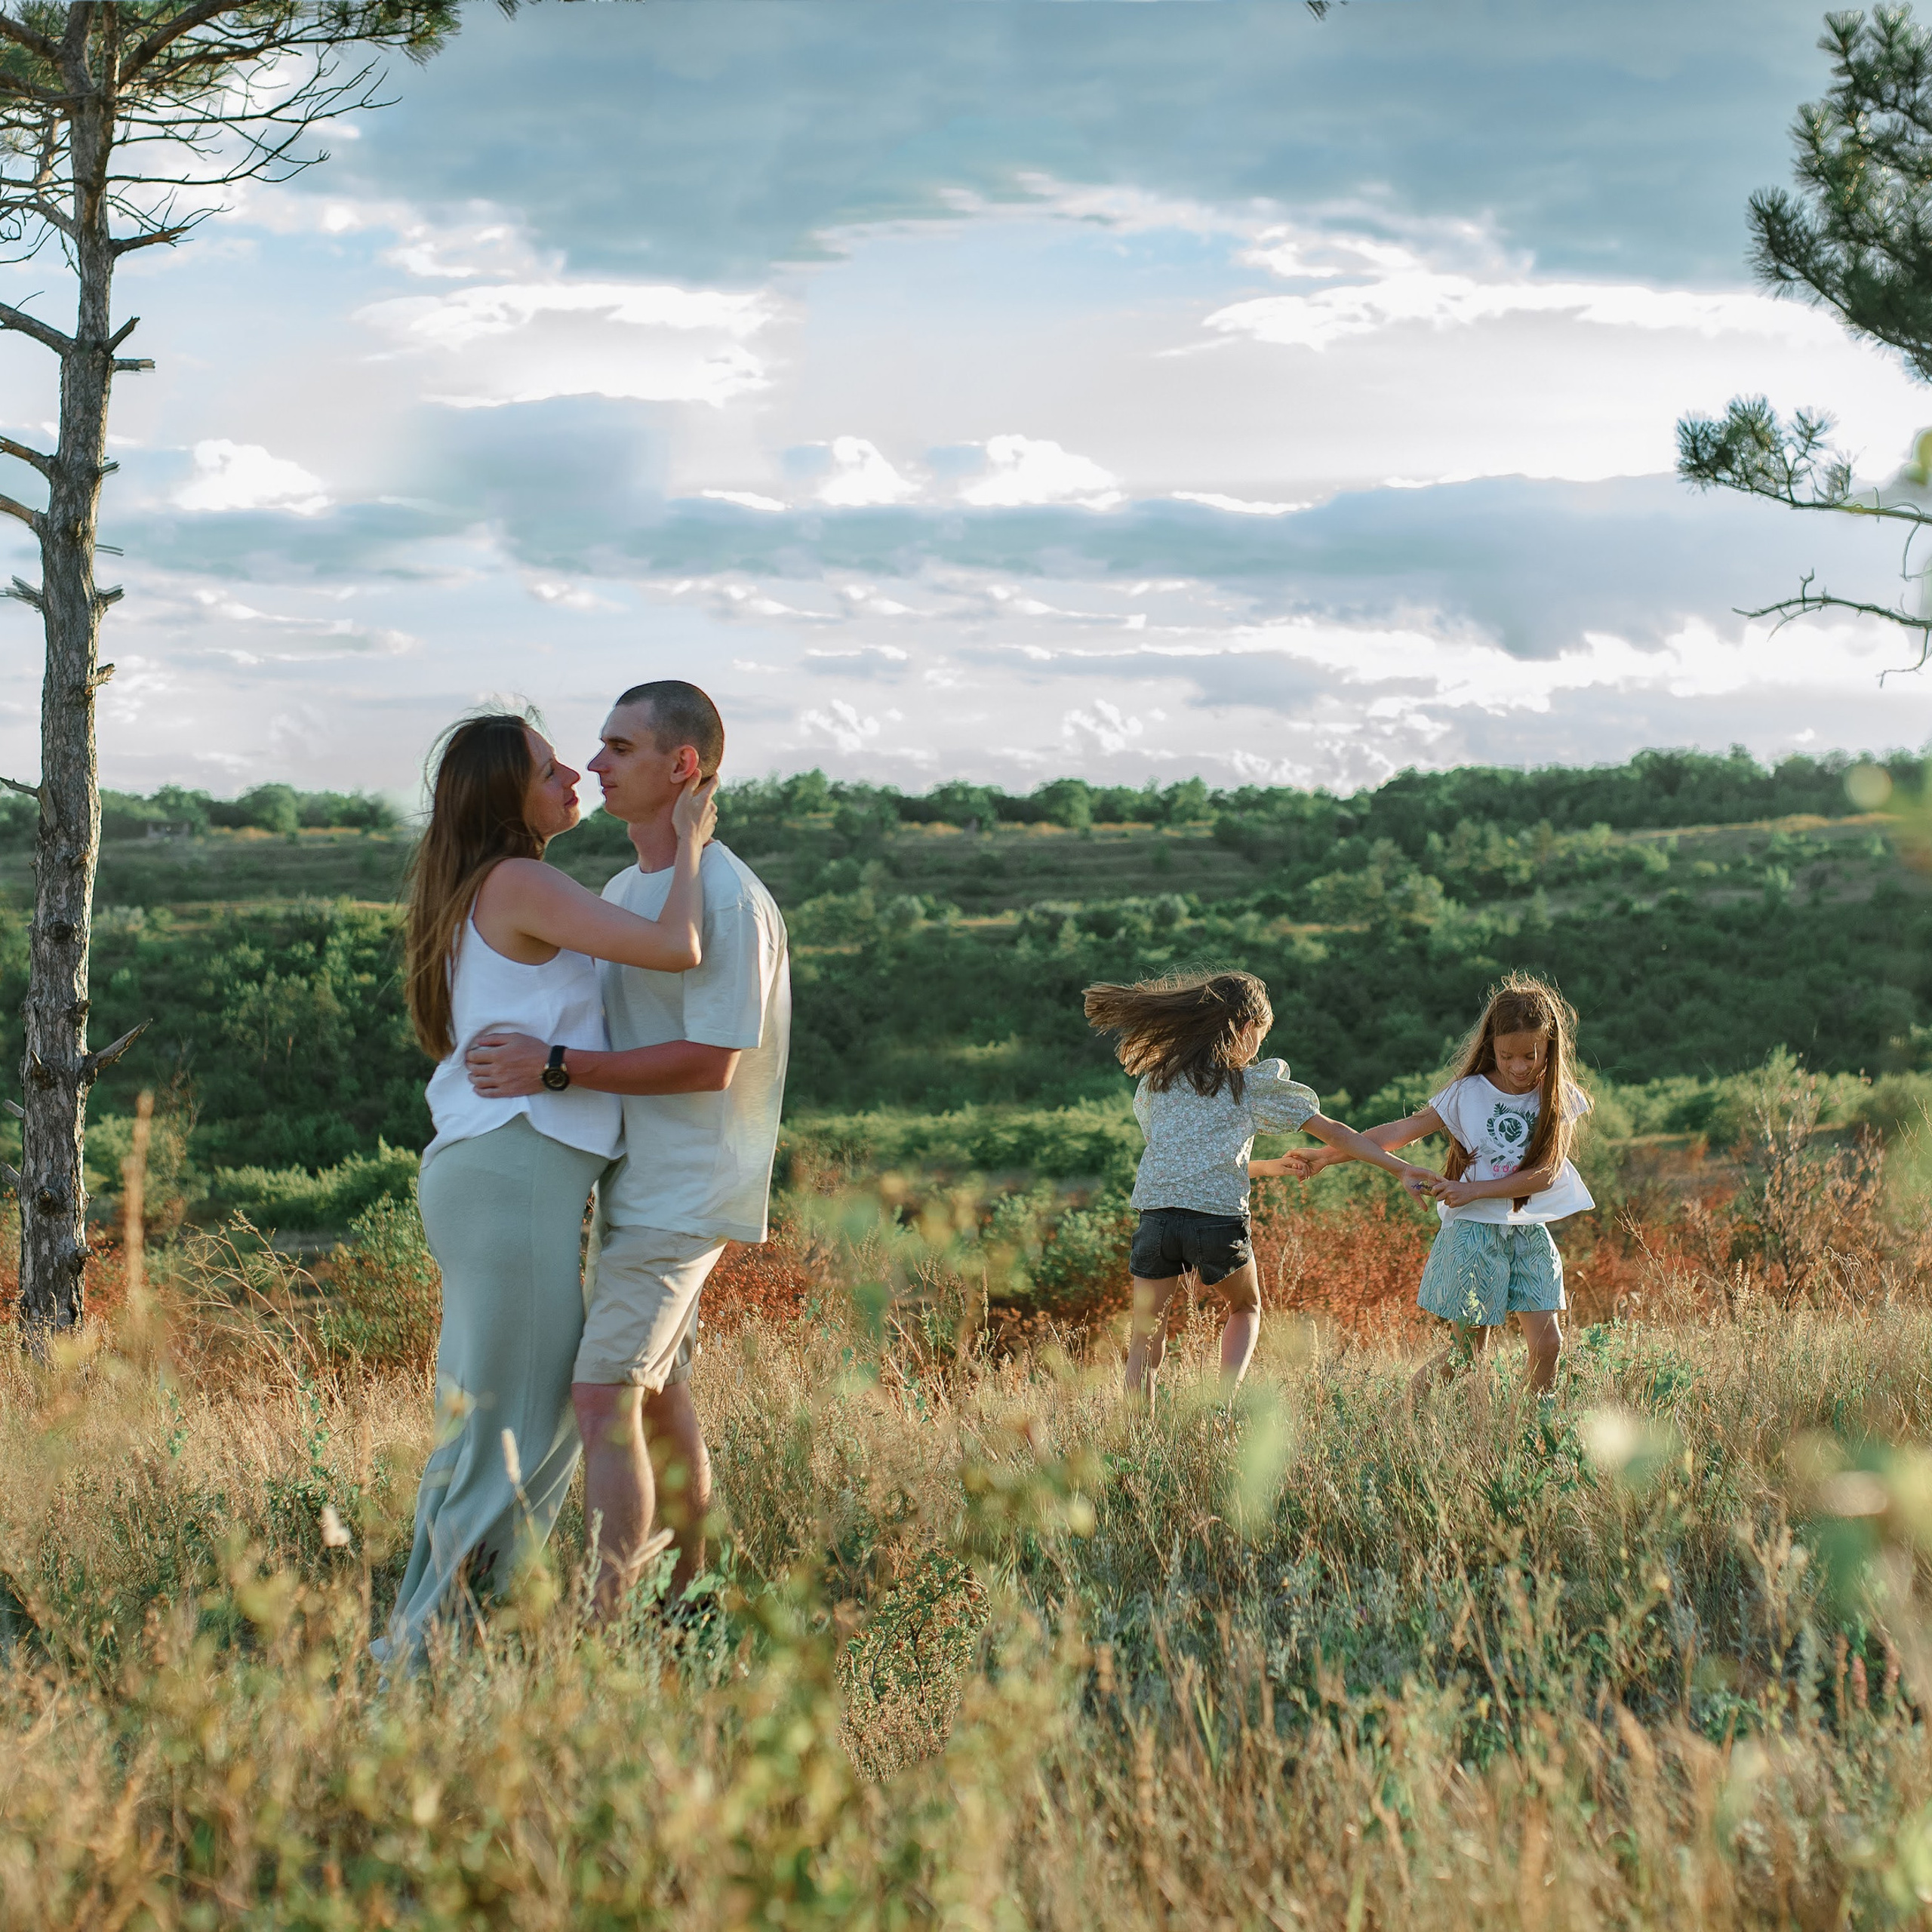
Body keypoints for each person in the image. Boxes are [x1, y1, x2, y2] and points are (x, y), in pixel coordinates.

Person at [381, 710, 717, 1666]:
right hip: (515, 1170)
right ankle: (434, 1657)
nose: (573, 772)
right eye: (546, 766)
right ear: (504, 795)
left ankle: (437, 1641)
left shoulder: (482, 885)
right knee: (522, 1433)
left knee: (487, 1423)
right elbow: (676, 946)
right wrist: (689, 844)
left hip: (495, 1174)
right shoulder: (521, 879)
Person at [467, 680, 790, 1623]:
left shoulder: (725, 898)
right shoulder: (624, 890)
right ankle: (692, 1600)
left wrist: (554, 1067)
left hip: (683, 1192)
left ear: (681, 765)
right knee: (653, 1398)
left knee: (602, 1392)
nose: (595, 765)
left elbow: (709, 1065)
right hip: (634, 1183)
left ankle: (609, 1621)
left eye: (618, 746)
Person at [1084, 970, 1440, 1408]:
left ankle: (1136, 1435)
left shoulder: (1160, 1082)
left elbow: (1192, 1163)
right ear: (1244, 1027)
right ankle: (1221, 1407)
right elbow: (1336, 1133)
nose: (1259, 1046)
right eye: (1260, 1033)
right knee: (1245, 1309)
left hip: (1156, 1221)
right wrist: (1397, 1167)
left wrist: (1273, 1167)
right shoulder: (1248, 1084)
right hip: (1217, 1224)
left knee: (1145, 1339)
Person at [1287, 973, 1591, 1399]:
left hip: (1528, 1231)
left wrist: (1473, 1190)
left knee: (1548, 1345)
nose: (1519, 1067)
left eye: (1531, 1055)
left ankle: (1530, 1434)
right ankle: (1402, 1422)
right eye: (1507, 1056)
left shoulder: (1559, 1098)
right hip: (1472, 1234)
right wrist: (1326, 1155)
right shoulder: (1468, 1093)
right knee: (1468, 1355)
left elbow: (1548, 1173)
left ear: (1550, 1048)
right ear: (1492, 1048)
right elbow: (1401, 1131)